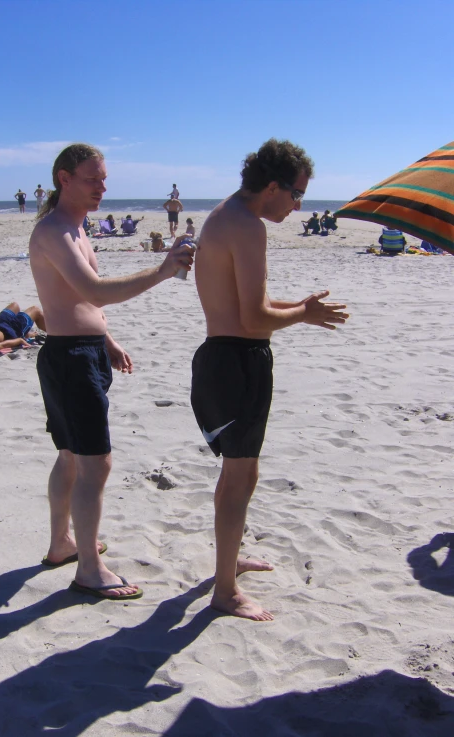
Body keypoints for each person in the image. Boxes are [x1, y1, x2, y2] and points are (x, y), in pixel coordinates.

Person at [191, 138, 349, 621]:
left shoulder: (226, 216)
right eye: (297, 194)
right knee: (240, 477)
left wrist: (295, 306)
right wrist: (303, 313)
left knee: (237, 474)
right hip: (237, 363)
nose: (299, 205)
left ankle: (227, 562)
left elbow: (244, 304)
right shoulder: (246, 226)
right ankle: (224, 592)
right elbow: (255, 320)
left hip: (223, 359)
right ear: (274, 187)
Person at [29, 143, 194, 601]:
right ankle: (89, 568)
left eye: (103, 178)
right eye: (92, 178)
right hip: (69, 359)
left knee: (69, 455)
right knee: (93, 464)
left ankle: (62, 543)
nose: (102, 186)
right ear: (64, 178)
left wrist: (106, 340)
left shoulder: (77, 229)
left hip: (81, 352)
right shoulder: (54, 231)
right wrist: (162, 271)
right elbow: (94, 292)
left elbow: (78, 304)